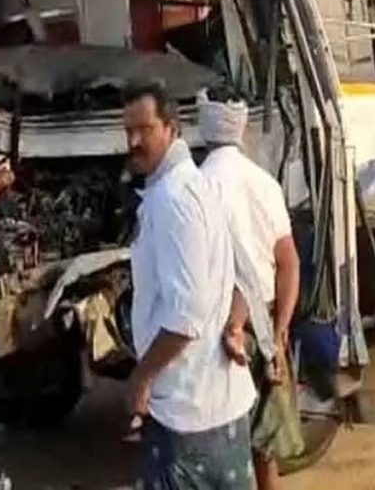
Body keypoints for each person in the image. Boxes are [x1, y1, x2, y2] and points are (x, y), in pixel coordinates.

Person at [123, 81, 257, 489]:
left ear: (171, 128)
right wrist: (235, 326)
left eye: (144, 130)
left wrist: (141, 377)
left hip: (187, 417)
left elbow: (185, 318)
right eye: (127, 130)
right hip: (224, 409)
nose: (133, 141)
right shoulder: (200, 186)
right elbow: (246, 277)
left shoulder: (172, 199)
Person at [198, 88, 304, 490]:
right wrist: (278, 332)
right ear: (241, 128)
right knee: (265, 448)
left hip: (220, 331)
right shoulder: (265, 185)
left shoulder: (194, 188)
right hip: (265, 325)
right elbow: (288, 263)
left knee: (226, 448)